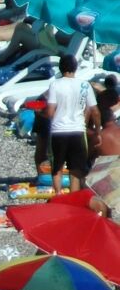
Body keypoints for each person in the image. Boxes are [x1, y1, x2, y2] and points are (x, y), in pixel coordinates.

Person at [46, 55, 100, 194]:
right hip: (78, 131)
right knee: (76, 169)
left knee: (57, 167)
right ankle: (73, 198)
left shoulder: (55, 84)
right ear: (75, 68)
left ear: (60, 68)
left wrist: (43, 114)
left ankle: (58, 195)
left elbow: (50, 111)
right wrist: (97, 132)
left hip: (58, 131)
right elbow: (95, 112)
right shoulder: (84, 85)